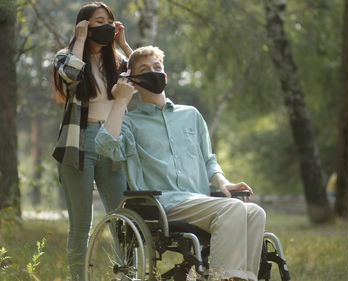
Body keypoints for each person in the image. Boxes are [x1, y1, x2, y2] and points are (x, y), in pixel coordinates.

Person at [95, 46, 266, 281]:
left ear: (165, 73)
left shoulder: (191, 115)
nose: (153, 72)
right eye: (144, 70)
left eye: (157, 67)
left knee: (254, 212)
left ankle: (241, 278)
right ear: (133, 80)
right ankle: (222, 278)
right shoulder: (130, 122)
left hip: (199, 200)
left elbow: (208, 159)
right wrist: (120, 101)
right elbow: (106, 146)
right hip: (163, 203)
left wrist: (223, 182)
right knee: (234, 208)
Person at [51, 2, 132, 279]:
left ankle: (127, 275)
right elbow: (70, 74)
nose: (107, 25)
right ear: (84, 24)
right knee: (81, 224)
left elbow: (145, 78)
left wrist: (122, 42)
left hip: (112, 143)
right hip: (78, 143)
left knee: (122, 220)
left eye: (110, 20)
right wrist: (81, 40)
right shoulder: (66, 56)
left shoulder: (118, 61)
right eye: (100, 21)